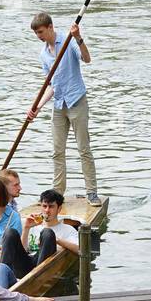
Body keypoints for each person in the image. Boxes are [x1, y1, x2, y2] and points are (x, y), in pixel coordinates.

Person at [25, 11, 99, 205]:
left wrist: (78, 38)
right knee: (57, 151)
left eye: (41, 32)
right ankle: (58, 193)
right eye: (36, 33)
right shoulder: (43, 53)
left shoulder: (68, 41)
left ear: (50, 27)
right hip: (59, 105)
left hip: (77, 101)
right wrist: (38, 106)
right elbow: (51, 84)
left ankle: (91, 192)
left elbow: (87, 59)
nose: (39, 36)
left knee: (84, 149)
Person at [0, 189, 80, 288]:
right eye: (44, 206)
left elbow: (80, 250)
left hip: (42, 269)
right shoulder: (34, 225)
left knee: (47, 233)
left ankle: (37, 281)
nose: (47, 210)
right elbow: (24, 250)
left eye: (51, 207)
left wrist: (57, 240)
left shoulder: (67, 229)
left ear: (59, 209)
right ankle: (5, 276)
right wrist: (26, 228)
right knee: (10, 232)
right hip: (26, 264)